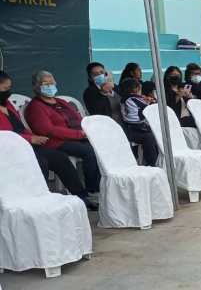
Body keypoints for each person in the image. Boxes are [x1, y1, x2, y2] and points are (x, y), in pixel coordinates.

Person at [0, 71, 97, 210]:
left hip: (25, 143)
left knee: (60, 158)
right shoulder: (36, 106)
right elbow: (5, 134)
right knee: (41, 161)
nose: (8, 93)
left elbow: (20, 127)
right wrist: (30, 138)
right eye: (4, 89)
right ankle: (39, 198)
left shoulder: (7, 104)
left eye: (9, 88)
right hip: (10, 146)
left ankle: (81, 196)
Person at [25, 70, 101, 195]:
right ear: (36, 86)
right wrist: (78, 134)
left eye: (52, 82)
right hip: (57, 142)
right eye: (45, 83)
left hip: (77, 136)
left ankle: (99, 185)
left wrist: (87, 130)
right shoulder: (35, 107)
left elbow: (78, 118)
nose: (50, 86)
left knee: (99, 147)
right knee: (89, 152)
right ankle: (92, 190)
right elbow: (48, 130)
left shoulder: (61, 102)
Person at [118, 77, 160, 166]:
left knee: (154, 133)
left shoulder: (127, 98)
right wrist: (151, 100)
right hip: (134, 128)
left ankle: (155, 160)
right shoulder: (131, 98)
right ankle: (153, 163)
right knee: (150, 136)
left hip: (134, 127)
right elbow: (147, 106)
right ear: (136, 89)